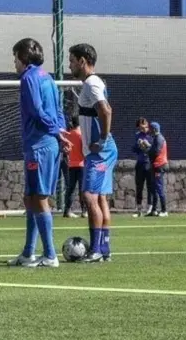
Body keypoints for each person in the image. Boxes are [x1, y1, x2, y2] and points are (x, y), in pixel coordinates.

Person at [7, 38, 65, 268]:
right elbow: (58, 110)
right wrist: (61, 132)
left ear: (22, 57)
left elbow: (37, 110)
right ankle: (28, 252)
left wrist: (56, 133)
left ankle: (50, 255)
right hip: (46, 143)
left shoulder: (29, 78)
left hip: (40, 145)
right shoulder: (47, 77)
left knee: (39, 197)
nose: (14, 63)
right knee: (30, 197)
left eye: (15, 58)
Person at [70, 43, 116, 263]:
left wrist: (102, 140)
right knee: (100, 198)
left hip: (100, 150)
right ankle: (104, 250)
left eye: (71, 60)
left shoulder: (91, 83)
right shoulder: (91, 83)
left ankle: (96, 249)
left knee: (89, 196)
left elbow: (105, 109)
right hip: (101, 150)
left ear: (82, 61)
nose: (69, 65)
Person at [61, 117, 86, 218]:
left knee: (70, 188)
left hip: (71, 165)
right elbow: (84, 150)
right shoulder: (81, 135)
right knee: (82, 188)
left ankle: (67, 210)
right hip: (81, 165)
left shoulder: (68, 134)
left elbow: (65, 148)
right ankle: (84, 211)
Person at [146, 122, 169, 217]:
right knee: (154, 188)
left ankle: (164, 210)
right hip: (155, 165)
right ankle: (154, 210)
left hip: (159, 165)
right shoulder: (156, 138)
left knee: (159, 188)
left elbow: (155, 152)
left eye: (150, 129)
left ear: (154, 129)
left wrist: (147, 148)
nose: (149, 130)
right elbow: (153, 150)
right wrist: (148, 147)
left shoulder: (159, 138)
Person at [132, 118, 153, 217]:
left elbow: (154, 149)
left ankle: (149, 208)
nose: (142, 128)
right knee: (139, 187)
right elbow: (134, 150)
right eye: (140, 127)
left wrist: (147, 145)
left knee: (150, 187)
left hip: (149, 164)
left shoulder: (151, 135)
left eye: (143, 126)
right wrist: (138, 145)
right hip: (140, 164)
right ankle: (139, 209)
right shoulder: (137, 135)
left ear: (147, 124)